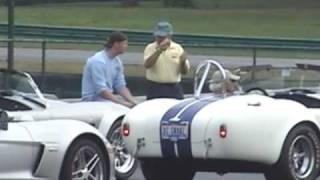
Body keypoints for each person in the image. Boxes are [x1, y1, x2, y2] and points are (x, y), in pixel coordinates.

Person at [81, 31, 136, 108]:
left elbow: (120, 86)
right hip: (92, 100)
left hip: (106, 99)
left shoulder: (117, 62)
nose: (126, 46)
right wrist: (121, 103)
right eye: (124, 44)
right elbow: (101, 90)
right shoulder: (98, 61)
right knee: (121, 108)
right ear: (116, 44)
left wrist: (133, 102)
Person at [143, 21, 190, 100]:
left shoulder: (177, 48)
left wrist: (182, 62)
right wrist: (159, 51)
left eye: (163, 37)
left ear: (169, 36)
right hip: (155, 87)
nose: (160, 39)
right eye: (158, 36)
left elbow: (184, 72)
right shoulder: (150, 48)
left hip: (173, 88)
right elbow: (147, 65)